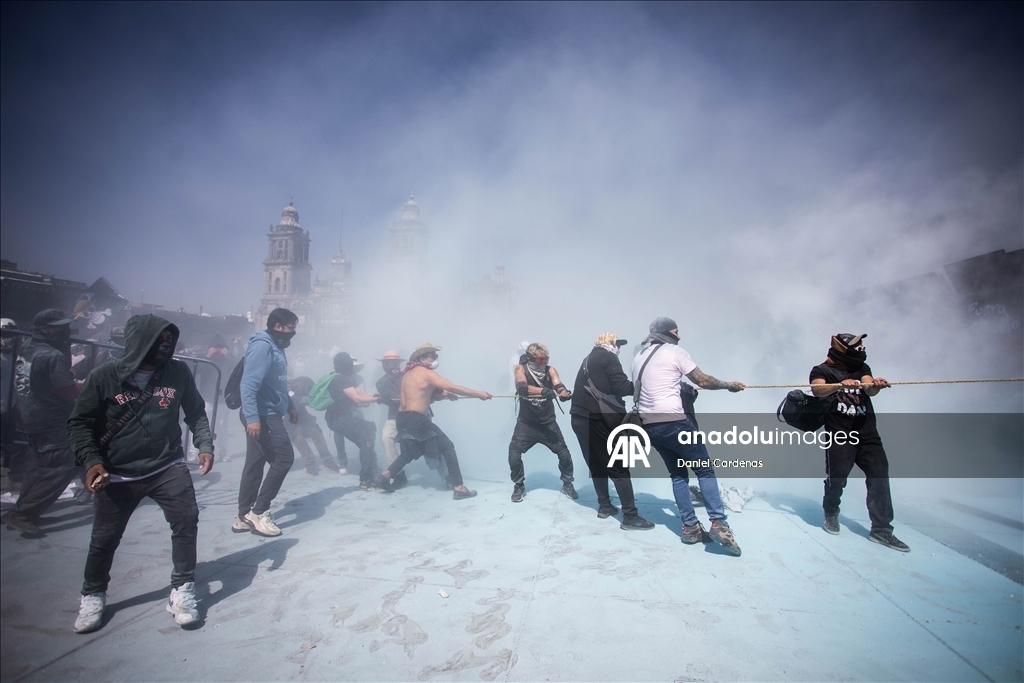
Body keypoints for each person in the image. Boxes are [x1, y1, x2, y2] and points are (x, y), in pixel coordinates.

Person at [66, 314, 214, 633]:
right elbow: (79, 424)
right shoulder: (103, 377)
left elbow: (196, 412)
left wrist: (204, 444)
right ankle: (93, 594)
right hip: (116, 473)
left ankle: (182, 589)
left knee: (186, 521)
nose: (164, 348)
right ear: (137, 343)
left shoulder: (178, 373)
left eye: (168, 341)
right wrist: (92, 461)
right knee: (105, 539)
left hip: (166, 465)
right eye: (157, 341)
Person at [632, 317, 745, 556]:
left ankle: (690, 528)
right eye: (676, 331)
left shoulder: (639, 356)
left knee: (677, 475)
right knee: (704, 470)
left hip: (651, 426)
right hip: (675, 423)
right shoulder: (675, 351)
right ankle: (719, 524)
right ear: (667, 333)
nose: (679, 336)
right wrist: (728, 385)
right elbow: (702, 380)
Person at [810, 333, 907, 551]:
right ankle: (831, 512)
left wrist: (876, 385)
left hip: (867, 432)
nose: (861, 348)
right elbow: (817, 390)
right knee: (838, 477)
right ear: (843, 349)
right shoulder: (821, 370)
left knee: (879, 473)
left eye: (861, 344)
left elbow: (869, 389)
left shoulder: (862, 368)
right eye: (856, 345)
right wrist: (839, 385)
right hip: (840, 433)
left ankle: (882, 530)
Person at [2, 309, 88, 535]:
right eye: (62, 327)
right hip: (51, 418)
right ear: (45, 329)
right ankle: (22, 514)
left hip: (28, 414)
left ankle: (23, 511)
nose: (67, 331)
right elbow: (68, 391)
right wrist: (90, 384)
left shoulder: (27, 347)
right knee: (70, 462)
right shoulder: (52, 356)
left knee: (38, 465)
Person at [373, 343, 491, 499]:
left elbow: (423, 395)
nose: (436, 359)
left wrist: (445, 395)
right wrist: (477, 393)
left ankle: (385, 476)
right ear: (422, 358)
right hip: (416, 419)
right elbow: (451, 386)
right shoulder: (426, 373)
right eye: (433, 356)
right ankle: (459, 487)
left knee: (409, 453)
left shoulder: (408, 374)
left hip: (402, 419)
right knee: (447, 447)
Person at [570, 333, 654, 530]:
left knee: (597, 464)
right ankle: (630, 517)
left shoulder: (588, 359)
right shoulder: (608, 357)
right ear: (609, 343)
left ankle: (605, 506)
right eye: (618, 344)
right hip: (599, 418)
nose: (619, 348)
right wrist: (648, 384)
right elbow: (622, 386)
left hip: (579, 418)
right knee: (619, 466)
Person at [233, 308, 299, 537]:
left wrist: (290, 406)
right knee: (284, 458)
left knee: (254, 462)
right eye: (291, 327)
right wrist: (252, 418)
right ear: (279, 326)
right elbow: (248, 384)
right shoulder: (263, 346)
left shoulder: (277, 347)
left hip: (270, 412)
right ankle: (259, 512)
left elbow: (278, 384)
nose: (294, 332)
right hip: (262, 415)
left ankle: (243, 516)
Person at [508, 342, 578, 502]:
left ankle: (568, 483)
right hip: (526, 423)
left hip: (547, 423)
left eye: (546, 358)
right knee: (514, 453)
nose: (545, 361)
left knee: (564, 454)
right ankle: (518, 485)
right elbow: (521, 387)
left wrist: (563, 393)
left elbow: (557, 384)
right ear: (532, 358)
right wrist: (543, 391)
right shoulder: (520, 368)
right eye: (541, 359)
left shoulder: (550, 370)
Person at [325, 352, 381, 488]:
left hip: (342, 416)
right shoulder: (341, 379)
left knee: (370, 428)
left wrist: (378, 397)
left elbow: (361, 397)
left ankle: (371, 467)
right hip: (337, 418)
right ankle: (366, 479)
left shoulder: (348, 379)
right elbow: (357, 398)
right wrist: (380, 399)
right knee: (365, 441)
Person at [286, 376, 342, 475]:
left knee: (314, 429)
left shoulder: (300, 388)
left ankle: (328, 461)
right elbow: (299, 400)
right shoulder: (288, 389)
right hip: (286, 419)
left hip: (299, 414)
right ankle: (309, 463)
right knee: (297, 432)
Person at [375, 351, 409, 488]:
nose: (395, 365)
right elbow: (393, 398)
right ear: (385, 365)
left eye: (397, 363)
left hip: (414, 414)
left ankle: (446, 475)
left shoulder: (407, 376)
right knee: (386, 438)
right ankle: (398, 474)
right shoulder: (381, 383)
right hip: (394, 417)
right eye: (392, 363)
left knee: (432, 440)